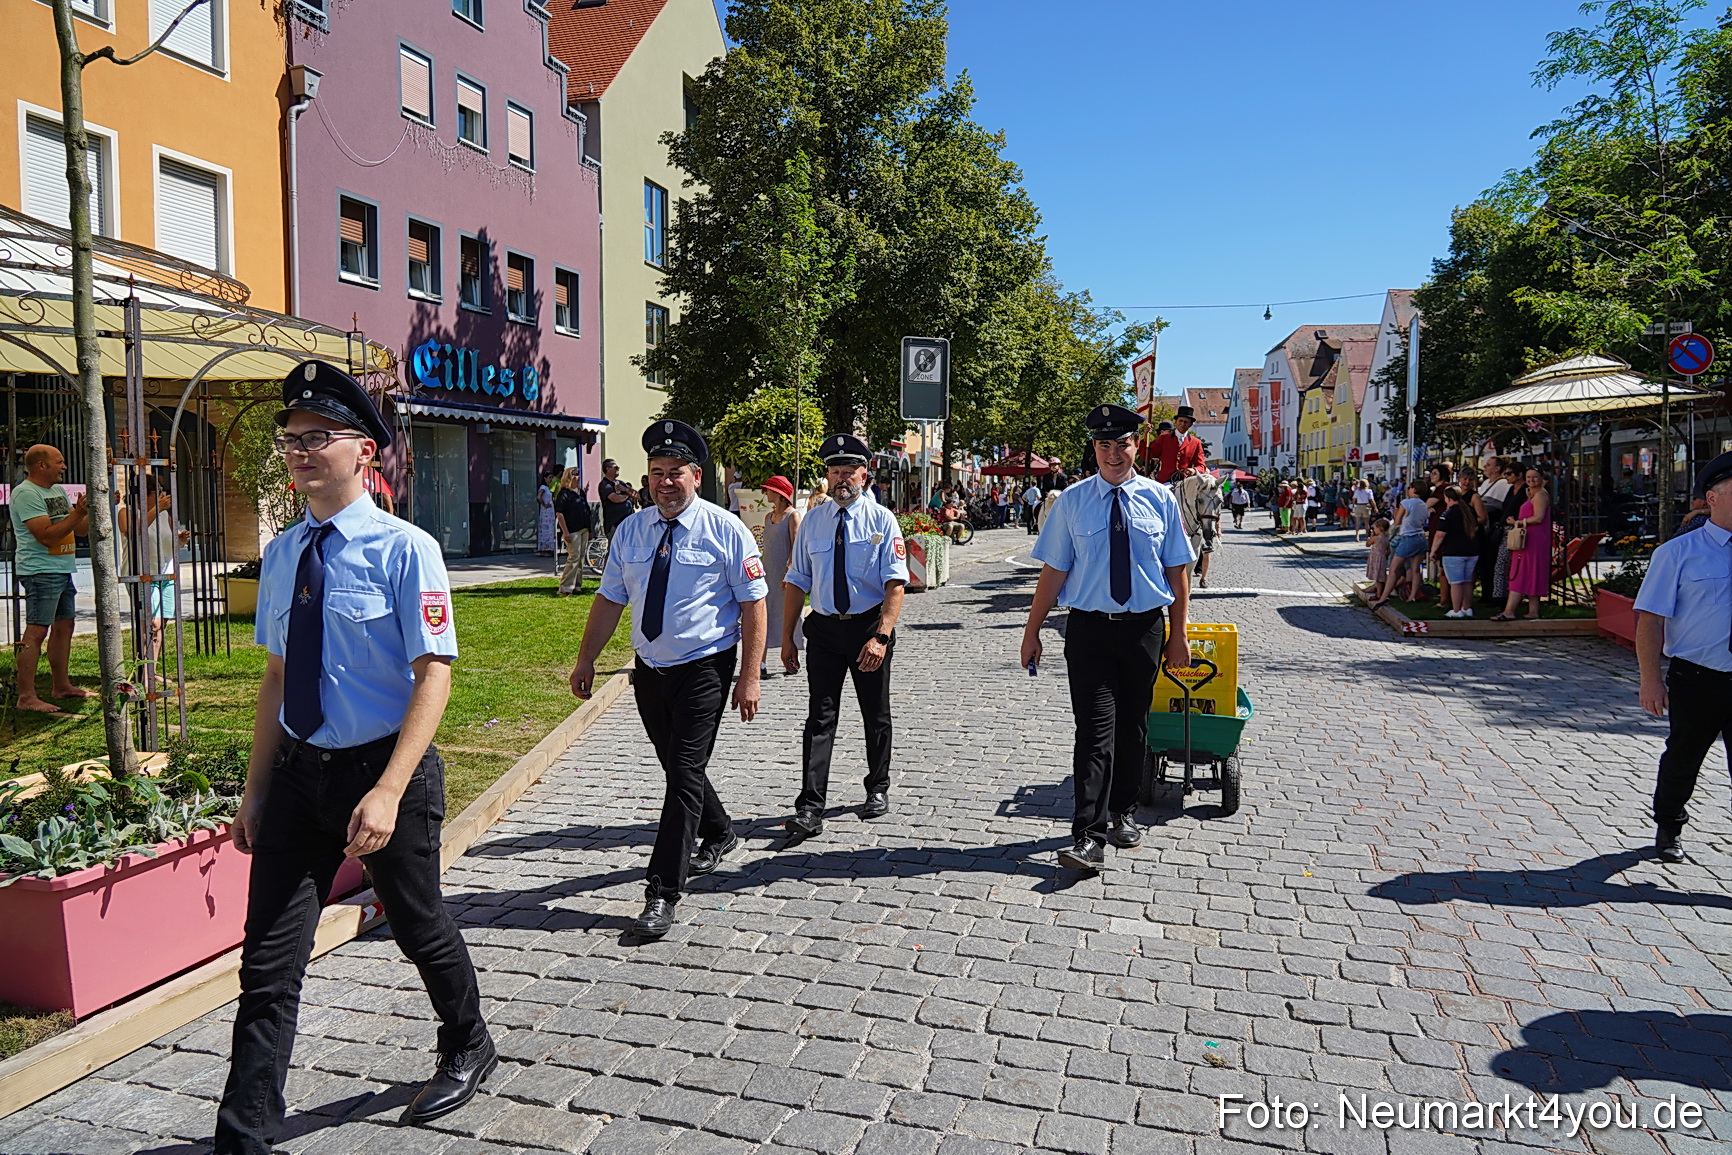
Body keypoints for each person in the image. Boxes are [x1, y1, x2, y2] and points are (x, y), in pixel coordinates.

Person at [215, 362, 493, 1152]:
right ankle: (245, 1135)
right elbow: (276, 677)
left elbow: (434, 675)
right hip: (301, 778)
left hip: (383, 773)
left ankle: (469, 1038)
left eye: (318, 438)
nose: (300, 452)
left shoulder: (407, 549)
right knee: (267, 963)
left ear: (364, 451)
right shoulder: (281, 555)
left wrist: (388, 790)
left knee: (417, 921)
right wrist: (255, 789)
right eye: (291, 440)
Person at [567, 420, 767, 937]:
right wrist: (587, 658)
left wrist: (749, 676)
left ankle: (662, 891)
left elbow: (753, 604)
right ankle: (720, 830)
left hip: (705, 666)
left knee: (681, 772)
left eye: (675, 472)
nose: (664, 482)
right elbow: (610, 598)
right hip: (650, 670)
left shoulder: (726, 529)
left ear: (696, 476)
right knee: (681, 767)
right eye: (656, 473)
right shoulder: (632, 530)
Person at [1021, 404, 1193, 872]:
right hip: (1089, 630)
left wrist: (1178, 637)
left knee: (1133, 727)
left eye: (1122, 444)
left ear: (1137, 447)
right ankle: (1088, 836)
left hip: (1145, 629)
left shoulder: (1161, 500)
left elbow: (1178, 573)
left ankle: (1122, 812)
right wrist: (1032, 630)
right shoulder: (1072, 501)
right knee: (1094, 733)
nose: (1113, 453)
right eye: (1104, 445)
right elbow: (1054, 570)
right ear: (1093, 449)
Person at [779, 434, 908, 835]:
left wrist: (882, 636)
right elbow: (796, 580)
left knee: (875, 714)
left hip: (868, 627)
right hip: (823, 630)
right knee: (819, 717)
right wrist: (788, 636)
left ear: (864, 475)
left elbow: (895, 582)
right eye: (834, 471)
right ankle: (810, 807)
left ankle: (877, 786)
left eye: (848, 471)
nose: (840, 479)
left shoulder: (882, 520)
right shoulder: (814, 521)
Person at [1635, 451, 1732, 864]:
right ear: (1712, 497)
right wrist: (1650, 678)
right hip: (1698, 678)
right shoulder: (1678, 553)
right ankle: (1668, 825)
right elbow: (1651, 620)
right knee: (1683, 758)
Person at [10, 443, 93, 713]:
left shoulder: (56, 491)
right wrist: (78, 513)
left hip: (61, 568)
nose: (64, 467)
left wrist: (89, 510)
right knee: (36, 632)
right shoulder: (25, 494)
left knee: (64, 627)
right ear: (41, 465)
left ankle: (61, 686)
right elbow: (45, 535)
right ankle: (26, 696)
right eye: (59, 462)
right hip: (40, 571)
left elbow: (80, 531)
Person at [115, 474, 191, 659]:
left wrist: (180, 539)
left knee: (161, 623)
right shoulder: (126, 512)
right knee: (150, 624)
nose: (161, 495)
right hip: (142, 573)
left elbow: (169, 540)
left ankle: (152, 669)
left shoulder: (165, 515)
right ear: (142, 493)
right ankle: (143, 669)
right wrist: (157, 508)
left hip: (166, 574)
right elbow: (133, 533)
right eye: (156, 492)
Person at [759, 475, 804, 674]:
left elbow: (797, 546)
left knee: (789, 616)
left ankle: (791, 658)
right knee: (764, 615)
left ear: (778, 493)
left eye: (768, 489)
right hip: (767, 572)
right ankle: (760, 663)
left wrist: (790, 571)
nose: (765, 493)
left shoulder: (792, 515)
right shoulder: (767, 517)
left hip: (785, 575)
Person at [1494, 467, 1552, 621]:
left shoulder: (1540, 495)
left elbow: (1538, 518)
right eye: (1528, 477)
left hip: (1532, 539)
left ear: (1541, 478)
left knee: (1520, 572)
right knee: (1531, 573)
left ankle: (1509, 611)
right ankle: (1533, 611)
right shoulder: (1534, 495)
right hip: (1532, 539)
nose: (1531, 480)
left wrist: (1517, 523)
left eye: (1534, 477)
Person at [1370, 482, 1432, 608]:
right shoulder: (1423, 504)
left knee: (1393, 569)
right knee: (1416, 569)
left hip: (1408, 537)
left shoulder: (1406, 502)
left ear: (1413, 489)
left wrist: (1397, 514)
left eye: (1409, 488)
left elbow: (1397, 522)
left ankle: (1383, 597)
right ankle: (1413, 596)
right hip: (1421, 538)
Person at [1432, 486, 1482, 618]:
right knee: (1466, 581)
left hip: (1454, 552)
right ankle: (1467, 608)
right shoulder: (1469, 511)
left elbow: (1440, 535)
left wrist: (1433, 551)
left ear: (1447, 498)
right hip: (1472, 550)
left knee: (1455, 583)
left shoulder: (1447, 514)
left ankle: (1456, 610)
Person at [555, 467, 592, 596]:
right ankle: (565, 587)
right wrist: (565, 532)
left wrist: (590, 529)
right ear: (569, 477)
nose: (578, 476)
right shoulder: (564, 494)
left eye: (578, 474)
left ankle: (577, 585)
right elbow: (560, 514)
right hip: (572, 530)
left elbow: (586, 511)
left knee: (581, 558)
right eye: (575, 474)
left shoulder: (581, 492)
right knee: (573, 558)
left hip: (584, 529)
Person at [1150, 406, 1207, 482]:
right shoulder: (1163, 438)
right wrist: (1145, 436)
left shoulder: (1196, 442)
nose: (1182, 424)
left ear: (1190, 424)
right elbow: (1148, 455)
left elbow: (1201, 466)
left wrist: (1193, 470)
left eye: (1186, 422)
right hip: (1165, 481)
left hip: (1185, 482)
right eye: (1180, 421)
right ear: (1176, 422)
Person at [598, 459, 634, 539]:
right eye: (616, 468)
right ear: (607, 468)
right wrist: (627, 495)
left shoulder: (621, 483)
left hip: (627, 524)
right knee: (615, 550)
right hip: (614, 525)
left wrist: (625, 490)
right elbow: (616, 499)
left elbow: (636, 494)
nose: (618, 470)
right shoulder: (605, 484)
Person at [535, 469, 557, 556]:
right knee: (545, 530)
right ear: (545, 478)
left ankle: (549, 548)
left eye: (552, 477)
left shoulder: (549, 488)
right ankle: (544, 549)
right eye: (549, 477)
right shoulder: (543, 487)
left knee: (550, 529)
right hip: (546, 512)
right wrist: (544, 505)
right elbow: (539, 497)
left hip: (550, 511)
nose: (551, 479)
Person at [1366, 517, 1391, 588]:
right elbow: (1389, 550)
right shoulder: (1386, 538)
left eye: (1374, 528)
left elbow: (1367, 544)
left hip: (1375, 558)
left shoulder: (1375, 538)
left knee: (1377, 577)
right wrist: (1385, 555)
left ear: (1379, 528)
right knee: (1381, 574)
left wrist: (1371, 536)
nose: (1374, 530)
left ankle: (1379, 594)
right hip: (1382, 558)